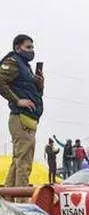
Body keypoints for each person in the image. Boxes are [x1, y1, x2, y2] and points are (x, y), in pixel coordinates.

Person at [0, 34, 44, 191]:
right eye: (28, 47)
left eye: (33, 47)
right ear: (17, 48)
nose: (32, 50)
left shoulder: (25, 67)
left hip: (28, 119)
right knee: (23, 165)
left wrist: (40, 84)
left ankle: (8, 201)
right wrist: (17, 100)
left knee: (18, 162)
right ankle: (21, 205)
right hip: (21, 118)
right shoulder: (13, 62)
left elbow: (34, 94)